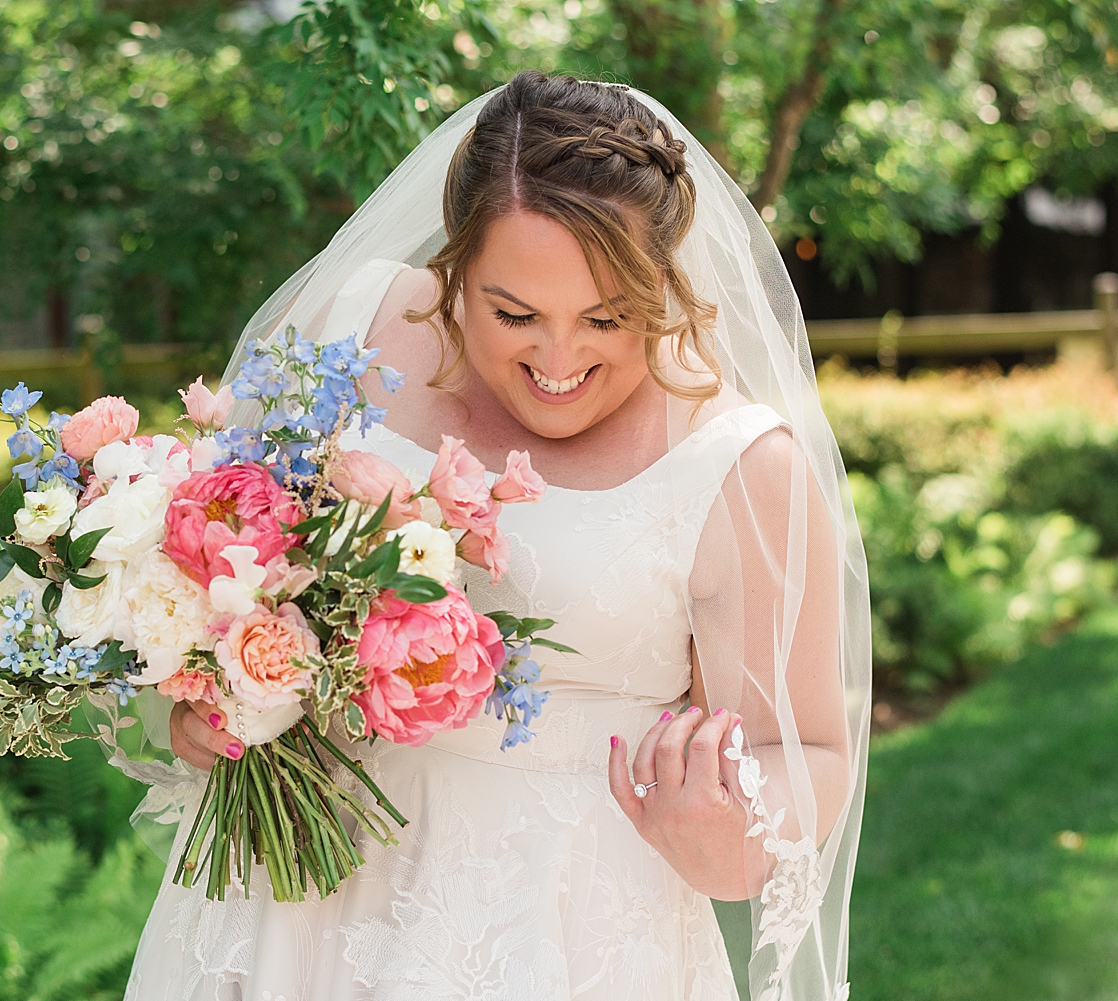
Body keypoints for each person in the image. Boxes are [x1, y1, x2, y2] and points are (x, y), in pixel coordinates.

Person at [124, 71, 869, 1001]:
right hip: (292, 913)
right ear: (453, 270)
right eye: (514, 313)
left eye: (606, 318)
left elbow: (810, 750)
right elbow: (208, 558)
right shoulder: (350, 333)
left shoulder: (739, 463)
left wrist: (735, 841)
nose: (558, 362)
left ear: (666, 284)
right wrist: (206, 696)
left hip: (562, 943)